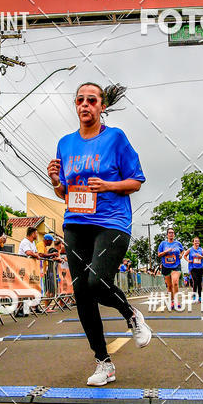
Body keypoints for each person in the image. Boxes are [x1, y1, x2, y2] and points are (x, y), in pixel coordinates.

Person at [47, 81, 151, 386]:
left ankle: (130, 314)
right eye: (80, 100)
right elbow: (64, 192)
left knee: (97, 281)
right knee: (82, 293)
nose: (85, 105)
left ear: (101, 106)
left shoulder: (115, 138)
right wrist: (55, 179)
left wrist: (107, 186)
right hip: (76, 221)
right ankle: (103, 363)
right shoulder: (65, 143)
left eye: (91, 100)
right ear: (75, 105)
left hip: (112, 221)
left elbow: (136, 181)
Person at [157, 227, 185, 310]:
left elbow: (182, 250)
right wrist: (166, 251)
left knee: (175, 282)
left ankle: (176, 301)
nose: (171, 234)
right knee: (169, 286)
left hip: (176, 265)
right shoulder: (163, 244)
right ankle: (172, 301)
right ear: (167, 235)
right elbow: (159, 254)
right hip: (166, 266)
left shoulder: (178, 243)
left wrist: (181, 255)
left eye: (172, 232)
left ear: (174, 234)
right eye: (169, 233)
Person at [185, 237, 203, 302]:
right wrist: (188, 260)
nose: (197, 242)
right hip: (193, 268)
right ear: (193, 242)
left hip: (200, 268)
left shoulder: (201, 249)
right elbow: (185, 255)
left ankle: (199, 297)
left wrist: (200, 256)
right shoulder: (190, 249)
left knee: (199, 283)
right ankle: (194, 295)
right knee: (195, 281)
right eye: (195, 241)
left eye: (198, 241)